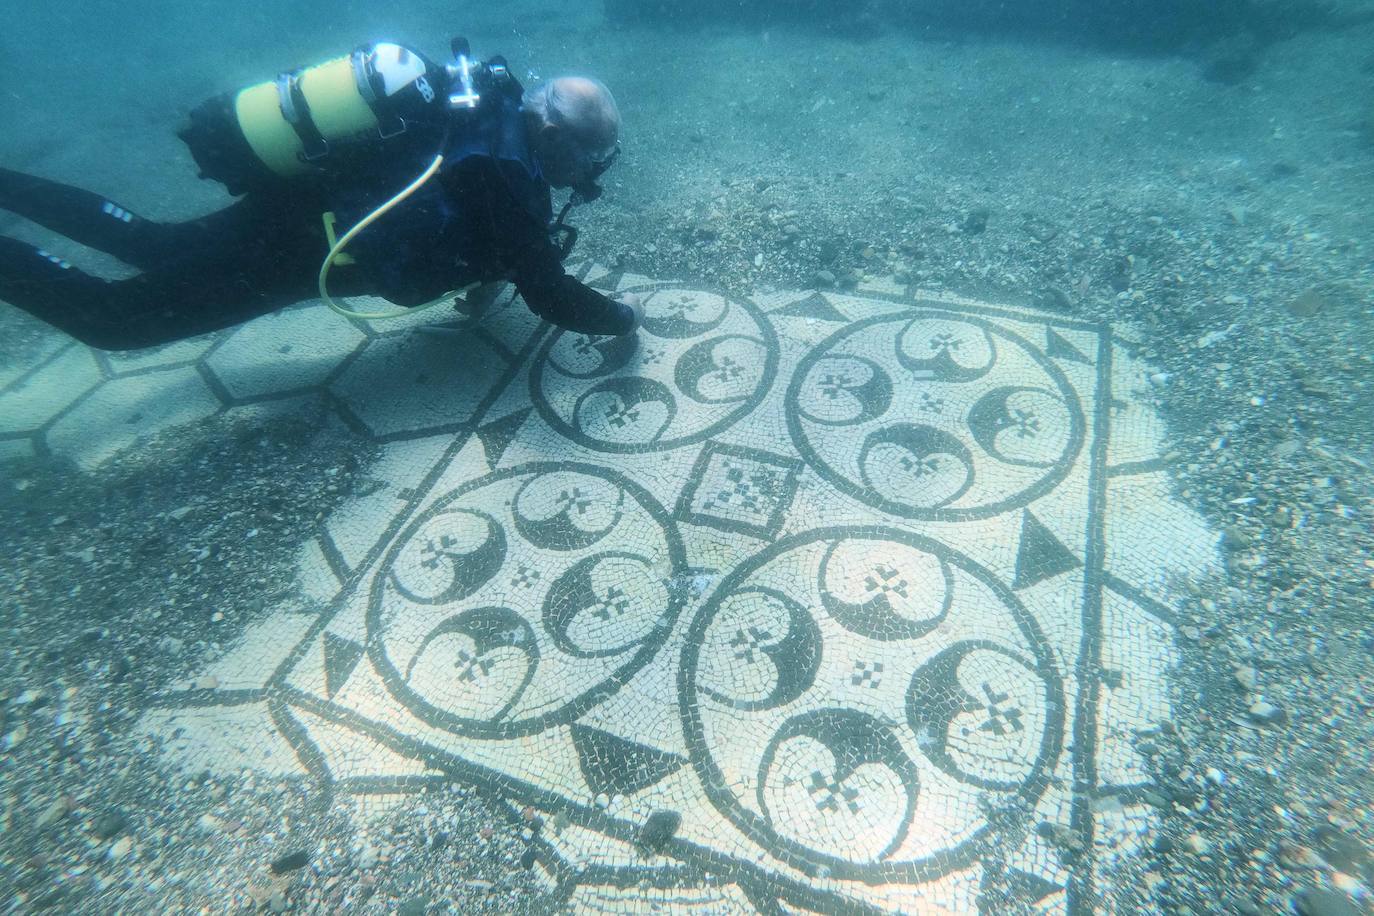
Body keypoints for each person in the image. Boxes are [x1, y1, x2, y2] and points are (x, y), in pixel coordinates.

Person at [0, 40, 642, 351]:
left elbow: (485, 233)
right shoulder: (510, 181)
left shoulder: (483, 102)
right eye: (586, 154)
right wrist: (622, 321)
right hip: (307, 251)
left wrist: (485, 282)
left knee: (147, 242)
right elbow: (550, 291)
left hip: (300, 203)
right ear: (552, 131)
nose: (585, 171)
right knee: (115, 322)